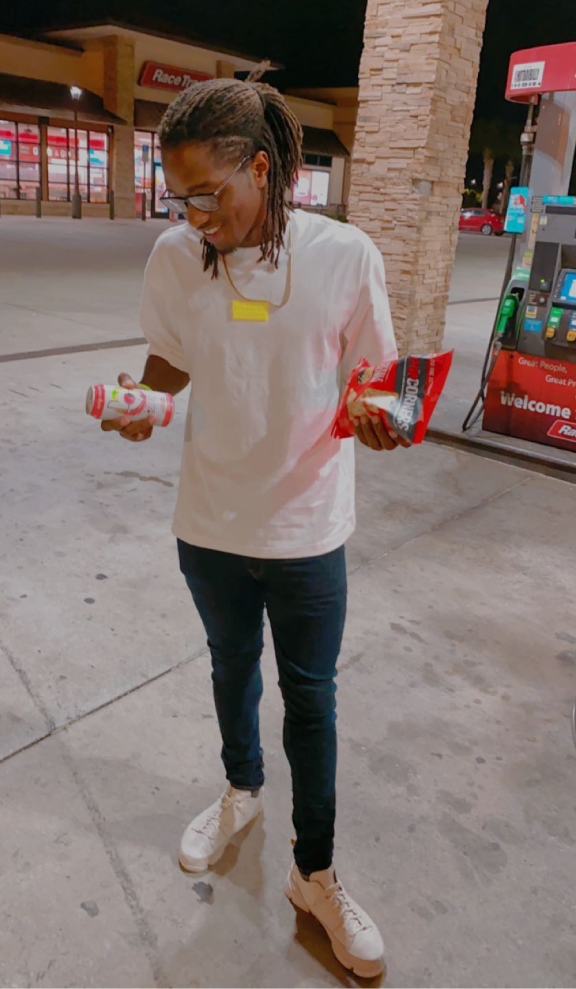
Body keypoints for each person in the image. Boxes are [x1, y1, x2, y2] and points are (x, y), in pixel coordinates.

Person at [102, 78, 408, 980]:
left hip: (308, 529)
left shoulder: (345, 255)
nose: (195, 216)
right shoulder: (176, 257)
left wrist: (379, 414)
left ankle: (316, 874)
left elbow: (376, 380)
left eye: (208, 193)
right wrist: (138, 403)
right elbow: (169, 363)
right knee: (230, 668)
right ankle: (240, 791)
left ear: (263, 169)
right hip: (209, 525)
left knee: (310, 700)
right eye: (179, 197)